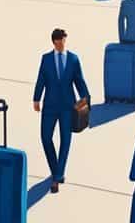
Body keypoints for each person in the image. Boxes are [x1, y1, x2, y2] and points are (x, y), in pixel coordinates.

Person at [33, 28, 91, 194]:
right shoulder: (46, 59)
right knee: (45, 138)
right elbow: (41, 79)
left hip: (67, 106)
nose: (61, 44)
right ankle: (56, 169)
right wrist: (36, 98)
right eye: (58, 42)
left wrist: (86, 99)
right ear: (54, 42)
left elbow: (79, 80)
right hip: (50, 106)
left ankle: (57, 176)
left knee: (65, 140)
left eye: (63, 41)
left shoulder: (73, 59)